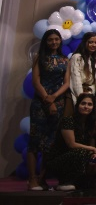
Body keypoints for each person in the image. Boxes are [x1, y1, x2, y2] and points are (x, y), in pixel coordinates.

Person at [28, 29, 70, 191]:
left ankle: (42, 178)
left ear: (60, 41)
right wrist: (47, 98)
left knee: (51, 142)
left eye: (56, 39)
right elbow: (35, 81)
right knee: (35, 140)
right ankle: (32, 179)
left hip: (58, 102)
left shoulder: (65, 60)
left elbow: (66, 83)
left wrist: (54, 97)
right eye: (50, 39)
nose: (54, 42)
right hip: (40, 101)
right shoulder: (40, 58)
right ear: (46, 41)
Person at [43, 93, 96, 191]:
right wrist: (93, 149)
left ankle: (86, 183)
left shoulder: (90, 124)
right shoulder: (68, 120)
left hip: (81, 155)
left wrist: (94, 154)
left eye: (89, 104)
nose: (86, 107)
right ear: (77, 105)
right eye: (83, 103)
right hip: (60, 159)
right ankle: (65, 181)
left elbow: (91, 144)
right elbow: (71, 144)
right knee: (81, 153)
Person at [69, 32, 96, 104]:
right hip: (78, 95)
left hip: (89, 94)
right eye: (91, 42)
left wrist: (91, 93)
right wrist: (81, 97)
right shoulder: (77, 57)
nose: (94, 45)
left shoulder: (92, 58)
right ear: (85, 42)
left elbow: (93, 81)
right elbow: (76, 79)